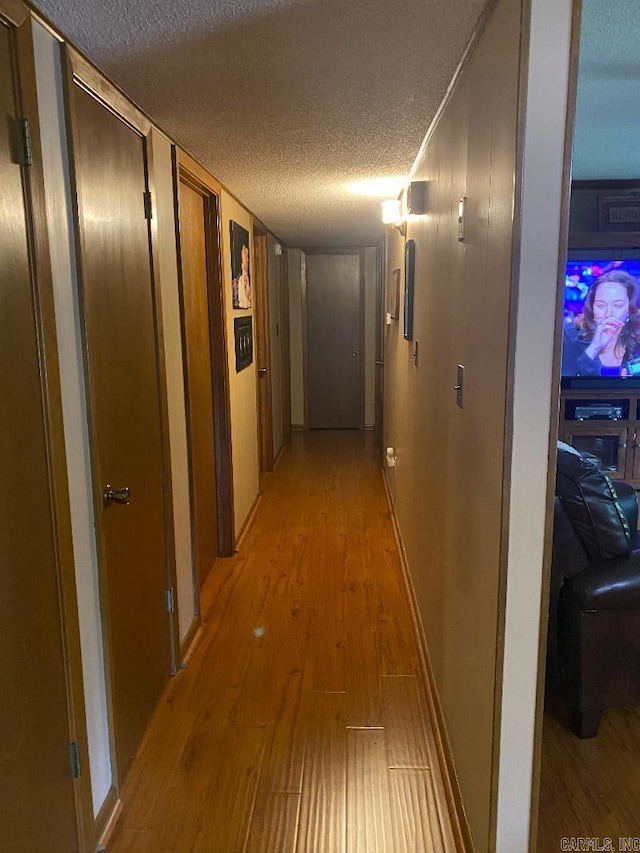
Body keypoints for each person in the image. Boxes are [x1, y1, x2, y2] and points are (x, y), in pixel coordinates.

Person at [561, 270, 640, 376]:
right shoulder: (570, 335)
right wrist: (594, 348)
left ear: (631, 310)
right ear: (592, 307)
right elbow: (561, 387)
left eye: (618, 305)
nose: (608, 313)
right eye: (601, 305)